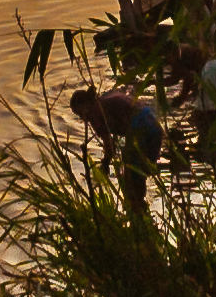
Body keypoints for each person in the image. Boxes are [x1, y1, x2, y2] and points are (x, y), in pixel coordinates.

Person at [68, 85, 164, 216]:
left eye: (80, 114)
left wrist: (105, 164)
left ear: (85, 105)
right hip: (155, 125)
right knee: (141, 172)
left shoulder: (95, 114)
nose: (83, 119)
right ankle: (140, 210)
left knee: (131, 174)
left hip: (139, 127)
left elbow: (109, 147)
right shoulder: (103, 100)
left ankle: (136, 211)